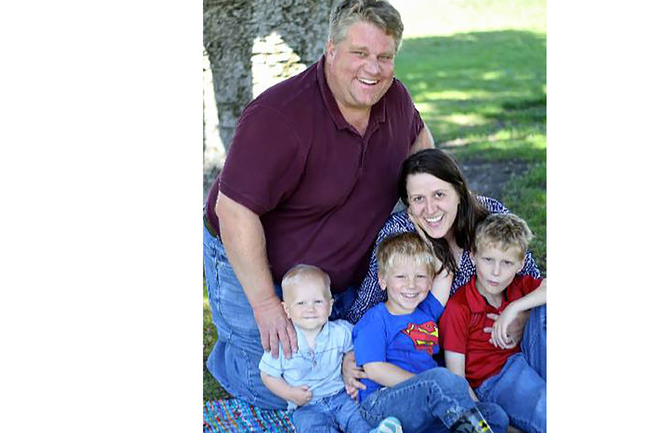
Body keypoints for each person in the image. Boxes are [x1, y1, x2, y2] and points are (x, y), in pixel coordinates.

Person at [203, 0, 433, 409]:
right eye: (359, 53)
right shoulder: (277, 116)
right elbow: (233, 211)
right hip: (255, 266)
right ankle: (234, 355)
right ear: (331, 49)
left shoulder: (395, 99)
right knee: (285, 390)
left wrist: (433, 208)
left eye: (384, 57)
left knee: (349, 374)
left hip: (335, 276)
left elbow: (422, 147)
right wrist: (266, 305)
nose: (373, 68)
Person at [345, 148, 541, 327]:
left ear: (459, 192)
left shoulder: (490, 214)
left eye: (439, 194)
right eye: (418, 199)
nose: (430, 209)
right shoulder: (398, 232)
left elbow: (534, 277)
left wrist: (521, 316)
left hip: (499, 335)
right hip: (425, 346)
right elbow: (365, 308)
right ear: (408, 204)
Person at [352, 232, 508, 433]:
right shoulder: (376, 319)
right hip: (382, 404)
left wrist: (423, 235)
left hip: (427, 402)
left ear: (430, 280)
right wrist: (425, 384)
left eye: (420, 276)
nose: (411, 284)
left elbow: (446, 272)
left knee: (495, 415)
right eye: (401, 276)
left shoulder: (427, 312)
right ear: (383, 280)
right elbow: (375, 370)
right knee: (442, 379)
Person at [259, 265, 403, 433]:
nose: (310, 308)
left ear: (330, 305)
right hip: (306, 407)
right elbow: (268, 375)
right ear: (287, 310)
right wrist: (289, 393)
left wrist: (349, 363)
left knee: (358, 416)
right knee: (312, 427)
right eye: (301, 303)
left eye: (318, 302)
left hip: (340, 395)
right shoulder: (283, 340)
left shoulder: (340, 332)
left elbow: (356, 347)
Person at [439, 213, 547, 433]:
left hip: (529, 358)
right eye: (488, 260)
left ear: (520, 264)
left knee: (545, 308)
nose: (496, 272)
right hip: (496, 380)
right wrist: (486, 421)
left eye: (507, 263)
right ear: (473, 256)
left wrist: (513, 308)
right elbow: (456, 378)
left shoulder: (519, 286)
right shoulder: (459, 307)